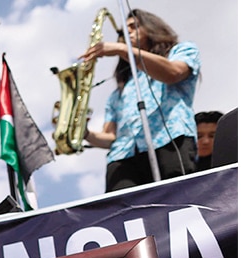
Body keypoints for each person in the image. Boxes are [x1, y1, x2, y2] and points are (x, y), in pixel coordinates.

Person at [80, 9, 200, 192]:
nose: (127, 31)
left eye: (133, 26)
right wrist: (84, 132)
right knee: (123, 213)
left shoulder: (182, 50)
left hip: (170, 142)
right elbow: (111, 137)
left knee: (178, 201)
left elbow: (173, 72)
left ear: (151, 28)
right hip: (123, 157)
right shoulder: (118, 92)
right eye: (124, 29)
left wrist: (123, 49)